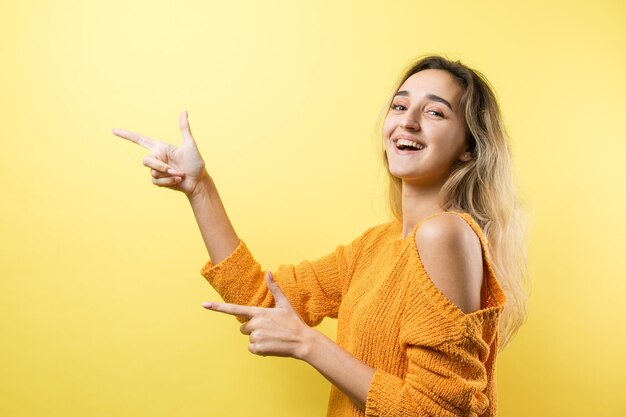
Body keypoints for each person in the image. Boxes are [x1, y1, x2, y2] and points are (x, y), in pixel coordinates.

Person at [112, 55, 528, 417]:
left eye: (435, 113)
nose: (408, 121)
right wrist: (199, 187)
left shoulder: (444, 234)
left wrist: (308, 344)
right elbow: (261, 299)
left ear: (469, 148)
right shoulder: (376, 246)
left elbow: (435, 412)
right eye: (400, 106)